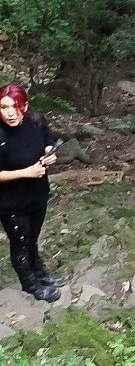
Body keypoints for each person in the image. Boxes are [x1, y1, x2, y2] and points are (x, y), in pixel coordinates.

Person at [0, 83, 63, 302]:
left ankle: (41, 274)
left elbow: (47, 140)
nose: (9, 113)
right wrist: (26, 172)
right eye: (4, 107)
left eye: (15, 107)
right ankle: (30, 285)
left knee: (32, 239)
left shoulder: (36, 121)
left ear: (25, 106)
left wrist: (49, 152)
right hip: (10, 203)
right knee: (20, 243)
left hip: (38, 195)